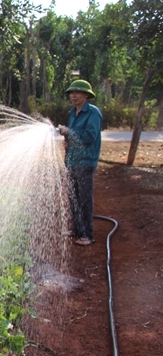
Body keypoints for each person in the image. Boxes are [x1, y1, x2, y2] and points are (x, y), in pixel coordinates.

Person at [57, 79, 102, 246]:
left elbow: (89, 137)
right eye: (71, 92)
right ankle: (76, 229)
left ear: (86, 95)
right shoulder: (72, 113)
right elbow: (73, 137)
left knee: (84, 198)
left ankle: (87, 235)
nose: (73, 95)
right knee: (73, 197)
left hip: (85, 161)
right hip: (72, 160)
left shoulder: (93, 113)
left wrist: (69, 132)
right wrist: (67, 135)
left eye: (77, 92)